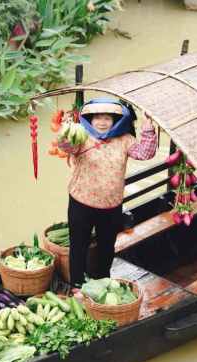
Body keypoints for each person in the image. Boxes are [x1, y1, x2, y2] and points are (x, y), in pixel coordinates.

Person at [60, 98, 158, 287]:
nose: (102, 122)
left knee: (106, 248)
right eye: (98, 118)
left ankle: (102, 283)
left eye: (107, 118)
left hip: (111, 206)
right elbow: (66, 147)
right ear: (90, 119)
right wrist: (66, 130)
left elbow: (145, 153)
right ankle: (77, 286)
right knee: (78, 247)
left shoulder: (125, 140)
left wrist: (148, 126)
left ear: (115, 121)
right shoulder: (82, 136)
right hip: (81, 202)